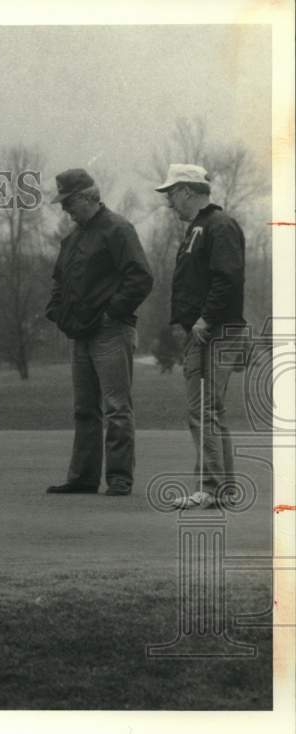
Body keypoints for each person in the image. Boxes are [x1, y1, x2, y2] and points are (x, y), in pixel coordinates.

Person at [45, 168, 154, 497]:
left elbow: (140, 277)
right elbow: (59, 281)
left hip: (110, 331)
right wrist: (58, 313)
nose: (65, 209)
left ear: (85, 197)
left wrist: (112, 313)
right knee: (84, 409)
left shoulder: (119, 229)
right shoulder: (73, 238)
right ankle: (83, 478)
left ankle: (119, 478)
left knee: (116, 407)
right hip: (80, 333)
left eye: (68, 202)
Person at [156, 164, 246, 510]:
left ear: (186, 191)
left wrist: (205, 317)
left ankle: (211, 488)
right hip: (209, 330)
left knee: (203, 410)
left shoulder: (218, 225)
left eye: (171, 194)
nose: (168, 202)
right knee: (210, 410)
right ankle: (221, 489)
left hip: (215, 330)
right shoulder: (201, 227)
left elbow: (228, 278)